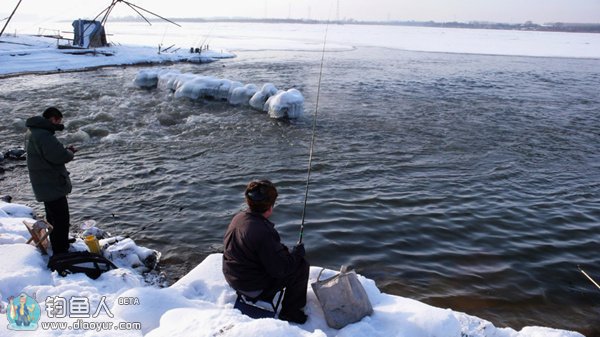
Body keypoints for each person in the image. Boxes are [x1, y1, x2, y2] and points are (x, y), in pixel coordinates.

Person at [223, 180, 309, 324]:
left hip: (232, 277)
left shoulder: (239, 218)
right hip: (250, 286)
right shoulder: (263, 232)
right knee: (301, 266)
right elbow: (281, 270)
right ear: (270, 207)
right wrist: (297, 254)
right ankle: (291, 312)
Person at [25, 107, 77, 256]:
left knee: (52, 215)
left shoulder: (33, 131)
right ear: (53, 119)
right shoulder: (44, 135)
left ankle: (59, 242)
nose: (59, 124)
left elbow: (48, 153)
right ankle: (61, 250)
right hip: (51, 182)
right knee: (61, 218)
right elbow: (59, 157)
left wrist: (62, 150)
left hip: (43, 181)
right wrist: (70, 152)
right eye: (59, 121)